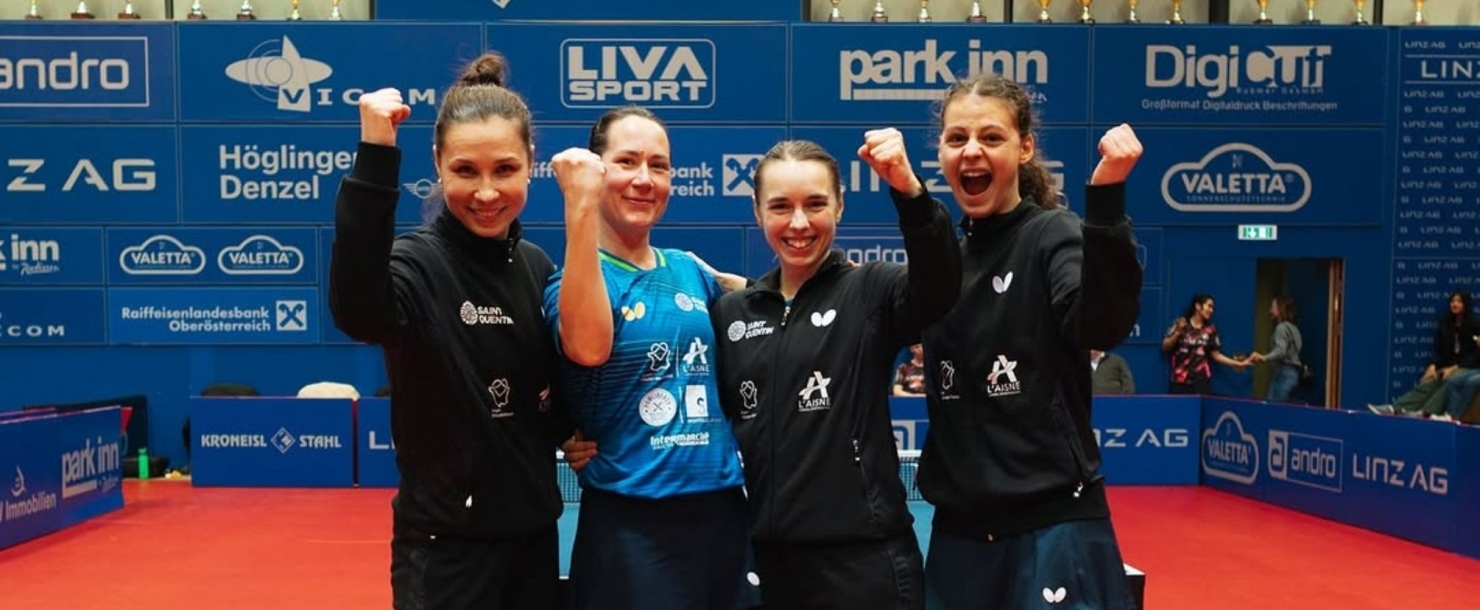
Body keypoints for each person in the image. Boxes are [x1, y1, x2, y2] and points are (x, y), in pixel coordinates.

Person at [328, 53, 568, 610]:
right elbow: (357, 312)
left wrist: (573, 428)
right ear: (437, 163)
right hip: (446, 553)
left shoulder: (536, 267)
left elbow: (547, 387)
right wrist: (375, 155)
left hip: (535, 543)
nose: (486, 192)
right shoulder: (416, 264)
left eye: (504, 169)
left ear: (531, 162)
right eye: (465, 171)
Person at [898, 73, 1145, 609]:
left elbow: (1099, 325)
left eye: (991, 137)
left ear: (1024, 147)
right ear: (941, 152)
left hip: (1052, 526)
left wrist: (1106, 198)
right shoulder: (945, 263)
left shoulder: (1051, 234)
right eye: (957, 138)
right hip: (960, 537)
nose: (972, 151)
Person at [709, 137, 962, 609]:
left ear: (840, 206)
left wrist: (909, 191)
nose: (798, 223)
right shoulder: (733, 313)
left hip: (864, 564)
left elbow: (940, 286)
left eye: (815, 204)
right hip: (767, 565)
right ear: (757, 211)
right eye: (780, 206)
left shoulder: (870, 291)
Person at [543, 105, 759, 610]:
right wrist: (578, 205)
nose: (644, 179)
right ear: (597, 172)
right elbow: (588, 347)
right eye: (627, 162)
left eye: (658, 166)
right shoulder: (571, 282)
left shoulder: (689, 270)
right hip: (632, 524)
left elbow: (768, 313)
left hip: (722, 512)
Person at [1162, 294, 1249, 395]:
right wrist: (1178, 333)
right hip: (1179, 381)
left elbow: (1216, 355)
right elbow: (1165, 347)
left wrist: (1238, 364)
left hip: (1201, 382)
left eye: (1213, 308)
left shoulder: (1210, 330)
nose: (1211, 310)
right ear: (1198, 306)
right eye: (1209, 306)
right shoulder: (1181, 324)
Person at [1248, 296, 1305, 403]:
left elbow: (1281, 351)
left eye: (1272, 307)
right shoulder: (1294, 329)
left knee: (1274, 408)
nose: (1270, 310)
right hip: (1294, 374)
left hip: (1283, 374)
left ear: (1280, 308)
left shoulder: (1281, 328)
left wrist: (1264, 357)